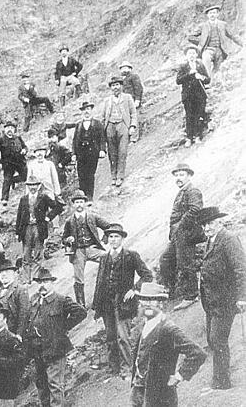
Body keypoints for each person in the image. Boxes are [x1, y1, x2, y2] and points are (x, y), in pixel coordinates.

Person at [129, 283, 206, 407]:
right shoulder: (144, 325)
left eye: (152, 300)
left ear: (160, 303)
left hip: (160, 396)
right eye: (144, 300)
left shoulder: (168, 329)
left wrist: (179, 375)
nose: (146, 304)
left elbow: (198, 353)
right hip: (139, 391)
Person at [92, 224, 153, 375]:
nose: (113, 240)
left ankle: (128, 369)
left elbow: (147, 275)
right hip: (107, 304)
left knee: (123, 337)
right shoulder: (104, 258)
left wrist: (134, 289)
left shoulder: (131, 255)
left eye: (116, 236)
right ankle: (114, 369)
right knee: (111, 338)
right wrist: (96, 306)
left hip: (123, 304)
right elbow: (99, 282)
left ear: (122, 238)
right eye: (110, 236)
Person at [196, 206, 246, 390]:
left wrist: (242, 297)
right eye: (203, 225)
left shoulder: (229, 239)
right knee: (212, 339)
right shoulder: (211, 241)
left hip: (226, 300)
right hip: (212, 301)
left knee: (217, 339)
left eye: (209, 223)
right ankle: (219, 377)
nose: (206, 228)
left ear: (219, 222)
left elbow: (241, 269)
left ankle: (222, 382)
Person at [23, 268, 86, 407]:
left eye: (45, 281)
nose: (42, 285)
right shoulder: (34, 301)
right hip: (38, 351)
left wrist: (63, 328)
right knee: (42, 386)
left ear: (52, 283)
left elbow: (81, 312)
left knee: (55, 385)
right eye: (39, 282)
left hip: (55, 350)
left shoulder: (61, 300)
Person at [160, 163, 204, 310]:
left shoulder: (193, 191)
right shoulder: (182, 192)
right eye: (176, 175)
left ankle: (191, 295)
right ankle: (171, 291)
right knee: (166, 259)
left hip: (186, 234)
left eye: (182, 175)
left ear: (189, 176)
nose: (178, 178)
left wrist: (180, 226)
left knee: (185, 263)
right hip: (178, 236)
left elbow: (195, 209)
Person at [62, 190, 110, 307]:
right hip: (78, 251)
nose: (79, 204)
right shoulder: (69, 221)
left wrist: (105, 238)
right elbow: (63, 238)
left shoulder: (92, 217)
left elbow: (108, 226)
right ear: (73, 204)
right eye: (77, 202)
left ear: (85, 203)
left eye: (81, 202)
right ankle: (81, 304)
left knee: (109, 259)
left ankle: (106, 294)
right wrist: (68, 240)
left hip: (91, 248)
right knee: (79, 278)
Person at [15, 176, 63, 278]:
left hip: (39, 228)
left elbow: (58, 207)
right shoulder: (23, 199)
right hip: (26, 228)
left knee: (38, 254)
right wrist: (17, 232)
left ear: (39, 186)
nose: (33, 187)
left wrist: (48, 218)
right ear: (27, 186)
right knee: (26, 255)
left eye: (35, 185)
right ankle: (26, 279)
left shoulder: (44, 197)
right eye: (30, 185)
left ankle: (36, 278)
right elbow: (19, 216)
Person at [100, 76, 138, 187]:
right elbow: (103, 116)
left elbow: (133, 114)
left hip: (123, 125)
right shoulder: (107, 101)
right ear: (110, 88)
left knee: (122, 152)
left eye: (117, 85)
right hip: (110, 126)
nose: (115, 87)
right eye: (113, 85)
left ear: (121, 86)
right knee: (112, 153)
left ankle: (120, 176)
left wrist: (132, 126)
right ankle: (113, 176)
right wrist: (103, 130)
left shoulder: (127, 97)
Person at [193, 4, 242, 81]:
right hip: (207, 50)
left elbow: (233, 35)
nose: (212, 15)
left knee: (218, 69)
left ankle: (214, 84)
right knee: (206, 62)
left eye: (214, 13)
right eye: (210, 13)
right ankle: (207, 81)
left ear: (217, 14)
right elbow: (191, 37)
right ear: (207, 15)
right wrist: (201, 42)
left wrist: (242, 43)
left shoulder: (223, 24)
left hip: (220, 50)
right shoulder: (203, 26)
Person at [71, 100, 106, 200]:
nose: (86, 111)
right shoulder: (78, 125)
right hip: (81, 153)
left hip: (92, 152)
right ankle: (82, 196)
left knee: (90, 174)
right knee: (81, 175)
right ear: (82, 112)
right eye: (84, 110)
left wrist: (102, 150)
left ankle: (90, 197)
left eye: (88, 109)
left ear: (91, 110)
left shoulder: (97, 124)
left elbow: (102, 138)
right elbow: (74, 140)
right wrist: (74, 153)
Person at [177, 45, 211, 146]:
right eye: (189, 53)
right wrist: (190, 74)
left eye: (193, 53)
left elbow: (208, 79)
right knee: (189, 116)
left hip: (200, 94)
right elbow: (178, 81)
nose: (191, 55)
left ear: (196, 55)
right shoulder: (183, 66)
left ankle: (198, 136)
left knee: (199, 115)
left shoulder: (200, 65)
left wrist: (201, 77)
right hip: (188, 96)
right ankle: (189, 138)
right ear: (186, 56)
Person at [0, 121, 28, 205]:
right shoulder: (1, 139)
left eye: (11, 128)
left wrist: (24, 150)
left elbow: (25, 147)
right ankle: (4, 198)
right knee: (7, 180)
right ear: (5, 129)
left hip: (20, 162)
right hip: (8, 163)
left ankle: (13, 181)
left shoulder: (18, 137)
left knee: (25, 177)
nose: (10, 130)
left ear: (14, 130)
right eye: (8, 128)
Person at [0, 260, 30, 340]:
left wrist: (19, 334)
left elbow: (23, 314)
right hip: (0, 333)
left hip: (13, 333)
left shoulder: (20, 289)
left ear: (14, 273)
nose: (4, 274)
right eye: (1, 272)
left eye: (7, 271)